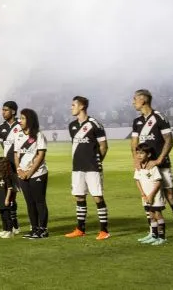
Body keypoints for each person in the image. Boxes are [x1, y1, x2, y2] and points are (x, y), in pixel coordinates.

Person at [131, 89, 173, 243]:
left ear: (143, 100)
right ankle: (153, 232)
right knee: (147, 198)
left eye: (135, 99)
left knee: (171, 197)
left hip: (162, 166)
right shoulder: (137, 121)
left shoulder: (159, 117)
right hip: (145, 168)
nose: (133, 102)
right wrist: (135, 160)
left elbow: (169, 140)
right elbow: (134, 143)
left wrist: (158, 160)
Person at [65, 96, 110, 240]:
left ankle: (104, 230)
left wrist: (97, 161)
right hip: (77, 167)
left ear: (82, 106)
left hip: (92, 167)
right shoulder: (72, 126)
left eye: (73, 105)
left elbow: (104, 146)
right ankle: (80, 228)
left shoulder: (94, 124)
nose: (71, 107)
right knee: (79, 196)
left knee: (97, 196)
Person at [14, 108, 49, 238]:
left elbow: (41, 156)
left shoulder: (39, 135)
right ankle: (34, 229)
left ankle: (43, 229)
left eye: (23, 118)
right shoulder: (18, 135)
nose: (20, 120)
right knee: (29, 203)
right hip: (22, 174)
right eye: (20, 118)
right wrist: (19, 170)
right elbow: (16, 155)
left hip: (38, 174)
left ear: (30, 120)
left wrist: (29, 172)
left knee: (39, 201)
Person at [0, 100, 23, 236]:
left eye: (5, 110)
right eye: (2, 110)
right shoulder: (1, 128)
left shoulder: (21, 124)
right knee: (10, 195)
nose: (3, 112)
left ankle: (15, 226)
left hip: (20, 165)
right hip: (7, 165)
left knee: (16, 194)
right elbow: (4, 146)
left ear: (13, 111)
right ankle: (14, 226)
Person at [134, 143, 167, 245]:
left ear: (148, 155)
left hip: (155, 196)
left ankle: (162, 237)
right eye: (137, 153)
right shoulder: (138, 167)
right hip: (146, 196)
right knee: (151, 216)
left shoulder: (153, 167)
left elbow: (158, 182)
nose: (139, 155)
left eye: (142, 153)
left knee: (157, 215)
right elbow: (137, 180)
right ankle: (154, 236)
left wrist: (152, 195)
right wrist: (143, 194)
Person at [0, 156, 16, 238]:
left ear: (0, 165)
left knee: (7, 216)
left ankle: (10, 231)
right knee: (2, 215)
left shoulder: (7, 176)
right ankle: (5, 230)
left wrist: (7, 199)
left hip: (5, 198)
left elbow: (10, 189)